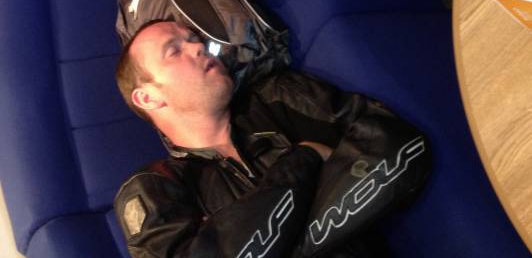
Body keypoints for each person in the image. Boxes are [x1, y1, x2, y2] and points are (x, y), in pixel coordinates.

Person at [114, 20, 432, 257]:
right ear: (147, 97)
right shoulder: (155, 188)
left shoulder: (279, 97)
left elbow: (400, 147)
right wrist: (305, 159)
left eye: (195, 39)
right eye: (174, 50)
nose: (199, 47)